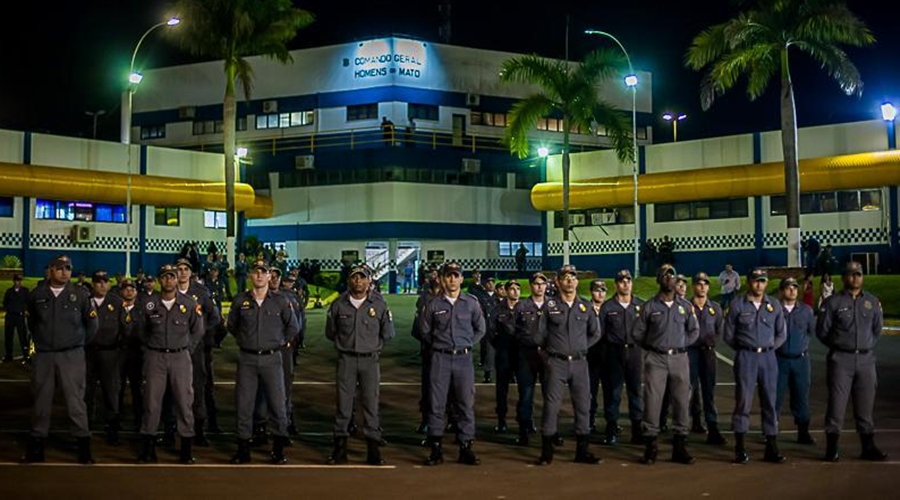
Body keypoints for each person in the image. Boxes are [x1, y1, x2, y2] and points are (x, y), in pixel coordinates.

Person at [22, 255, 98, 464]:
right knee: (41, 401)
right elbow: (33, 324)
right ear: (51, 270)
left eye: (68, 268)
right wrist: (43, 342)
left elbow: (92, 325)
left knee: (75, 401)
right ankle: (36, 446)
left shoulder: (81, 295)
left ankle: (83, 447)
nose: (65, 272)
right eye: (60, 268)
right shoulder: (37, 295)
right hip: (45, 355)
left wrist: (78, 342)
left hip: (71, 354)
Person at [227, 260, 299, 465]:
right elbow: (232, 326)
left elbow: (293, 327)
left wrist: (280, 342)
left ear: (270, 277)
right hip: (247, 358)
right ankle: (243, 450)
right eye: (256, 272)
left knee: (277, 404)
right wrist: (245, 341)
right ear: (250, 275)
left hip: (272, 358)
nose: (259, 276)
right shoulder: (240, 301)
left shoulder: (281, 301)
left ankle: (278, 450)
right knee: (244, 404)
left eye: (263, 272)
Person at [816, 261, 888, 462]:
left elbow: (877, 329)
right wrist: (840, 344)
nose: (855, 278)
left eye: (858, 274)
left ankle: (868, 446)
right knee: (837, 405)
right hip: (841, 359)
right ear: (843, 277)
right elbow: (822, 331)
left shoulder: (872, 302)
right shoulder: (833, 303)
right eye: (851, 274)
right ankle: (832, 448)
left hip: (866, 359)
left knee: (865, 405)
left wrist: (865, 345)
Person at [325, 266, 395, 465]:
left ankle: (373, 449)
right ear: (349, 281)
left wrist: (374, 346)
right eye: (354, 278)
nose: (358, 281)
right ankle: (340, 449)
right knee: (343, 405)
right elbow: (331, 332)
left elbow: (387, 333)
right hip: (346, 359)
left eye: (362, 278)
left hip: (370, 361)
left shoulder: (379, 305)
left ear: (369, 281)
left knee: (371, 405)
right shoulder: (339, 305)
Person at [418, 262, 485, 466]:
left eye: (456, 276)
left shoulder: (471, 303)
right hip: (440, 358)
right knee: (436, 403)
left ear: (462, 279)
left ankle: (466, 447)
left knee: (465, 403)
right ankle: (436, 448)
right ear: (442, 278)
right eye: (448, 276)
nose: (452, 279)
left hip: (464, 359)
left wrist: (465, 344)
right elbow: (424, 331)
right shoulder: (433, 304)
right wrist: (441, 345)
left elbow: (480, 329)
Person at [135, 264, 204, 465]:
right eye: (165, 277)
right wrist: (150, 348)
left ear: (177, 280)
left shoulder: (189, 304)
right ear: (159, 280)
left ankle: (186, 450)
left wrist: (185, 349)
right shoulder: (149, 304)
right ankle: (148, 449)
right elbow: (141, 330)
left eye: (172, 277)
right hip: (155, 357)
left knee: (184, 402)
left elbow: (198, 331)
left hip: (180, 357)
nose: (169, 280)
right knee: (151, 402)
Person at [534, 265, 601, 466]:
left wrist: (581, 347)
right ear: (558, 282)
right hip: (557, 362)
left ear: (577, 282)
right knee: (552, 405)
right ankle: (547, 451)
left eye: (573, 277)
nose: (570, 281)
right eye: (566, 277)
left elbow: (595, 333)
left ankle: (582, 451)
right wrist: (552, 351)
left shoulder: (586, 307)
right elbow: (539, 335)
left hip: (580, 362)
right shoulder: (550, 306)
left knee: (583, 405)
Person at [633, 264, 699, 466]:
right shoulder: (649, 307)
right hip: (656, 359)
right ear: (659, 280)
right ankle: (651, 446)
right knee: (652, 402)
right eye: (665, 275)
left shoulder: (686, 306)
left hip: (680, 359)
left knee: (681, 402)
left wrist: (680, 345)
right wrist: (655, 347)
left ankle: (679, 447)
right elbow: (637, 333)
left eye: (672, 275)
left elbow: (694, 331)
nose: (670, 278)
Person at [723, 268, 787, 464]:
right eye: (756, 280)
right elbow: (728, 335)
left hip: (768, 358)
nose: (759, 284)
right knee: (743, 402)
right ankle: (740, 447)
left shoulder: (774, 305)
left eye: (763, 281)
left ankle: (771, 446)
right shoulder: (737, 304)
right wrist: (746, 348)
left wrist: (767, 348)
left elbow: (781, 334)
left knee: (770, 401)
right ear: (749, 282)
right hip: (746, 357)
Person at [173, 257, 222, 447]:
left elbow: (214, 318)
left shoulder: (200, 293)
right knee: (173, 390)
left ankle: (199, 430)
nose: (182, 272)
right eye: (179, 269)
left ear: (191, 272)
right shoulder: (169, 291)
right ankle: (172, 430)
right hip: (173, 349)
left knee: (198, 388)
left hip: (196, 350)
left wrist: (200, 336)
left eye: (186, 268)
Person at [595, 270, 645, 446]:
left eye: (628, 280)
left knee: (635, 391)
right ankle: (611, 429)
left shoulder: (640, 305)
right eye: (621, 281)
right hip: (613, 353)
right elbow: (600, 333)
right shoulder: (608, 307)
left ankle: (637, 430)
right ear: (616, 284)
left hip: (635, 352)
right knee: (613, 392)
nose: (625, 284)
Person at [84, 270, 126, 445]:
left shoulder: (116, 302)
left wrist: (120, 351)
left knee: (111, 392)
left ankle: (112, 429)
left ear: (109, 284)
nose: (102, 285)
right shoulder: (84, 302)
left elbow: (125, 327)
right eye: (98, 281)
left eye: (105, 281)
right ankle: (86, 428)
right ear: (93, 284)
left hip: (110, 354)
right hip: (88, 353)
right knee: (87, 392)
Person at [687, 272, 727, 445]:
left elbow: (719, 330)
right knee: (690, 390)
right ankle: (691, 423)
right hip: (690, 352)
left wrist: (710, 342)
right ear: (693, 286)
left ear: (709, 287)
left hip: (708, 352)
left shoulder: (715, 308)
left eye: (705, 283)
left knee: (709, 391)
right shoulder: (686, 307)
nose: (702, 286)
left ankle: (712, 427)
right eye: (699, 283)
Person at [775, 277, 817, 445]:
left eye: (794, 287)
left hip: (800, 360)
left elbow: (810, 331)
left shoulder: (806, 311)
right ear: (781, 290)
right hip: (779, 360)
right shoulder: (774, 309)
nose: (792, 290)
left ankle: (803, 431)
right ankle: (771, 431)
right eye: (788, 287)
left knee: (801, 396)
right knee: (774, 397)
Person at [513, 272, 550, 446]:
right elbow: (514, 330)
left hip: (548, 356)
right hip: (526, 356)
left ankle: (550, 431)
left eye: (543, 283)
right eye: (536, 283)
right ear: (530, 285)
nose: (540, 286)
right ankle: (524, 430)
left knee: (550, 395)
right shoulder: (521, 306)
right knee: (526, 395)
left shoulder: (553, 305)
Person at [488, 279, 521, 433]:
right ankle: (501, 420)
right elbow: (491, 332)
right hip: (504, 354)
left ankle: (525, 421)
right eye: (512, 288)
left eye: (517, 288)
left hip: (522, 354)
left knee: (525, 389)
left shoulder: (526, 308)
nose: (515, 291)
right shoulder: (497, 309)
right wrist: (501, 345)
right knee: (502, 389)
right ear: (507, 291)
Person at [117, 278, 144, 432]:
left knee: (137, 389)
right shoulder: (115, 309)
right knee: (118, 388)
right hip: (119, 354)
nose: (129, 291)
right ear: (121, 291)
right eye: (126, 288)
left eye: (132, 288)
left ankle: (139, 420)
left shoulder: (142, 311)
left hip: (136, 355)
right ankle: (117, 419)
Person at [3, 273, 29, 363]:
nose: (18, 282)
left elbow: (28, 302)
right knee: (8, 337)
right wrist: (9, 309)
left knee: (23, 337)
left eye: (19, 280)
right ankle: (8, 356)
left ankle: (26, 356)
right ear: (13, 281)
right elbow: (4, 303)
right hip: (10, 316)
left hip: (20, 316)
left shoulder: (25, 291)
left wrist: (25, 310)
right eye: (16, 280)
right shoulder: (9, 291)